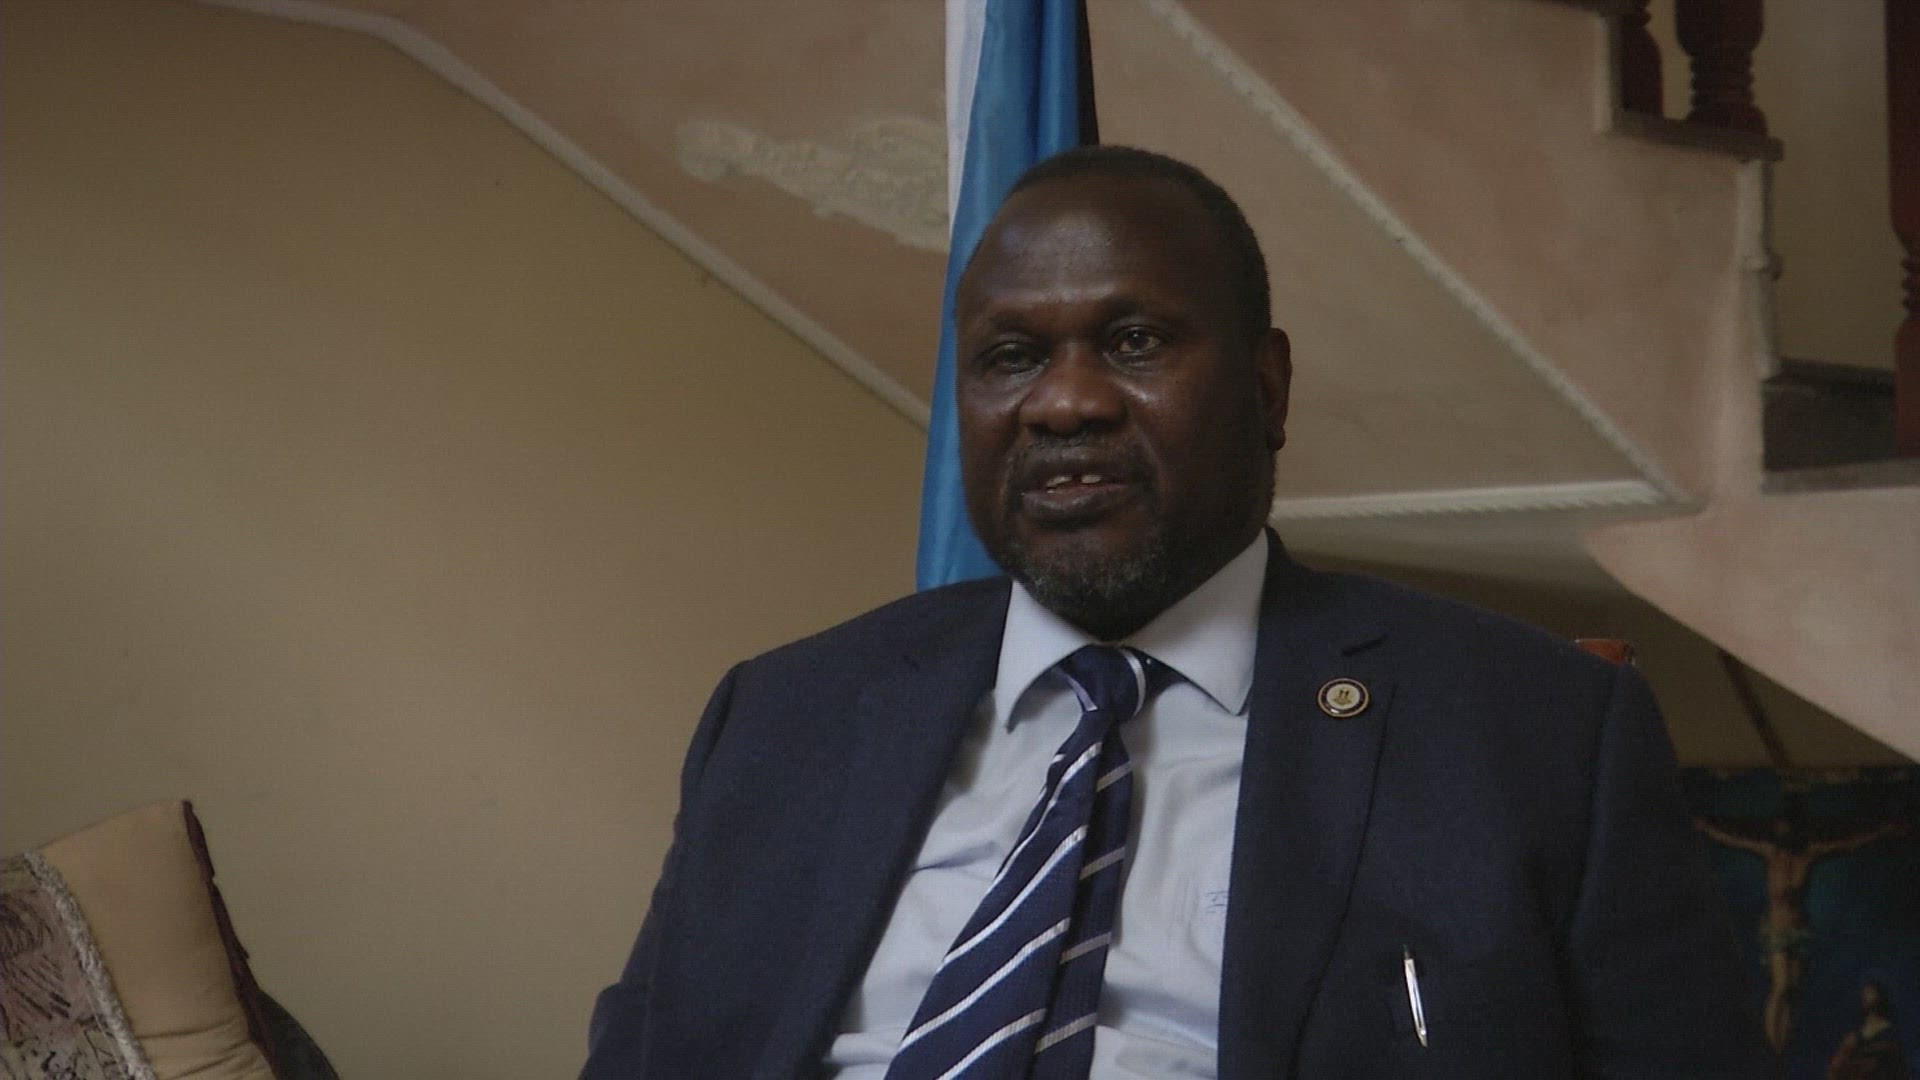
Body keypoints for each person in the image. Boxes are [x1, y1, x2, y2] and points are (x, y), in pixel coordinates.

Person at [581, 146, 1766, 1078]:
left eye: (1133, 341)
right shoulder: (783, 717)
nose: (1065, 404)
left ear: (1268, 388)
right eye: (1010, 357)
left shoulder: (1537, 731)